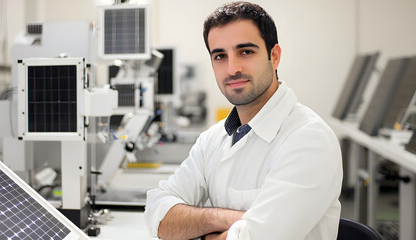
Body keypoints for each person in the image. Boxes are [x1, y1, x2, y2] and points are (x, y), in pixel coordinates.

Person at [144, 2, 343, 239]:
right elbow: (158, 213)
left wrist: (198, 230)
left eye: (246, 52)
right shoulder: (213, 139)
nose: (232, 68)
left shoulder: (309, 139)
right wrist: (221, 219)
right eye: (220, 56)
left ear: (274, 56)